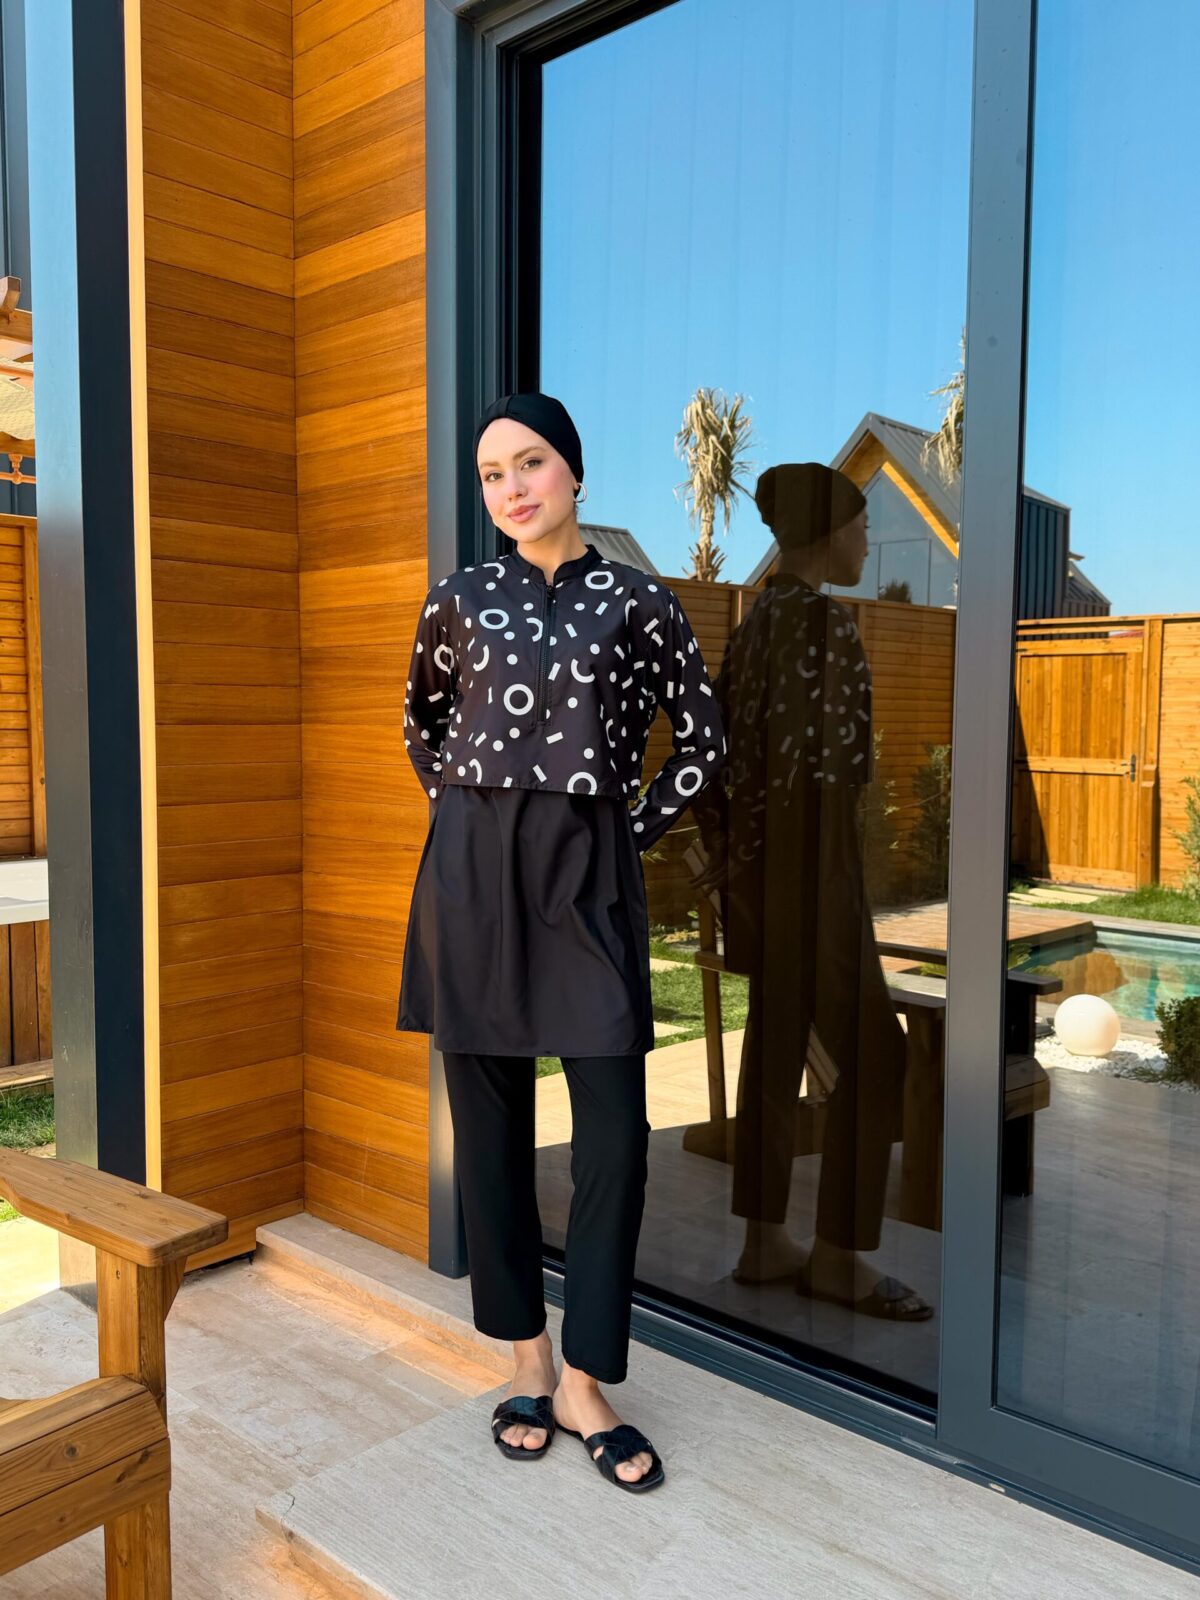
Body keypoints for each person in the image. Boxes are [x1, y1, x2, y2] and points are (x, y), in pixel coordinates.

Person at [396, 391, 726, 1492]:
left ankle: (587, 1378)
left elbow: (702, 738)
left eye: (530, 463)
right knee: (487, 1136)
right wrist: (471, 822)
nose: (512, 488)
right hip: (473, 878)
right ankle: (527, 1360)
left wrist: (626, 832)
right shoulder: (459, 598)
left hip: (588, 878)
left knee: (615, 1139)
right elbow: (421, 723)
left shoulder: (639, 602)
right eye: (492, 474)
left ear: (574, 471)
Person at [691, 462, 932, 1321]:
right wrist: (837, 895)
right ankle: (839, 1260)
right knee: (876, 1060)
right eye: (862, 526)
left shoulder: (756, 623)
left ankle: (764, 1243)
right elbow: (825, 785)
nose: (867, 542)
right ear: (829, 533)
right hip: (813, 874)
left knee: (775, 1045)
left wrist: (739, 883)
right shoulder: (824, 626)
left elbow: (723, 762)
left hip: (761, 878)